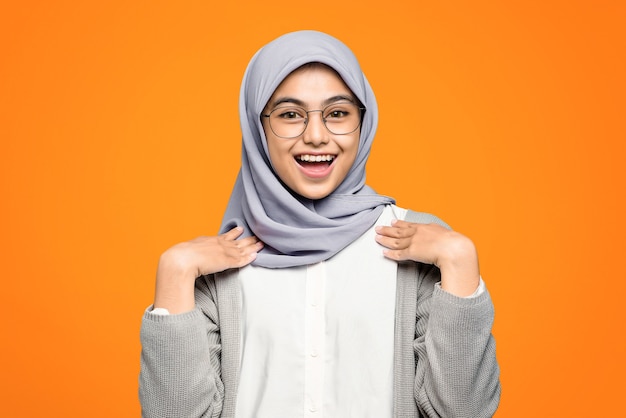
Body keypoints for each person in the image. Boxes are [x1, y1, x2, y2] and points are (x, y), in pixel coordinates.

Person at [139, 30, 500, 418]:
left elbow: (466, 411)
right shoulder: (220, 261)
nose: (315, 136)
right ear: (256, 127)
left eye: (338, 113)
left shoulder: (421, 243)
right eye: (290, 115)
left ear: (364, 122)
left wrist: (461, 260)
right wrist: (174, 272)